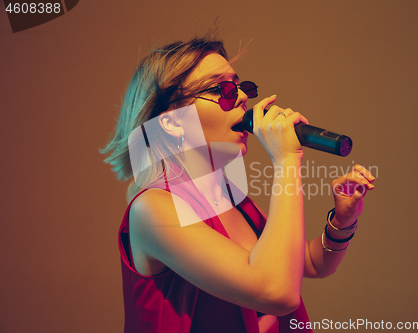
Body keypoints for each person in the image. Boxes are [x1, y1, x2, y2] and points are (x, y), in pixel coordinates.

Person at [100, 34, 376, 333]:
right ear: (172, 121)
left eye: (240, 86)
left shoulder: (227, 193)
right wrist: (286, 160)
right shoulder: (153, 209)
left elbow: (308, 263)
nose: (244, 97)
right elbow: (277, 293)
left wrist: (342, 220)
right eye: (223, 89)